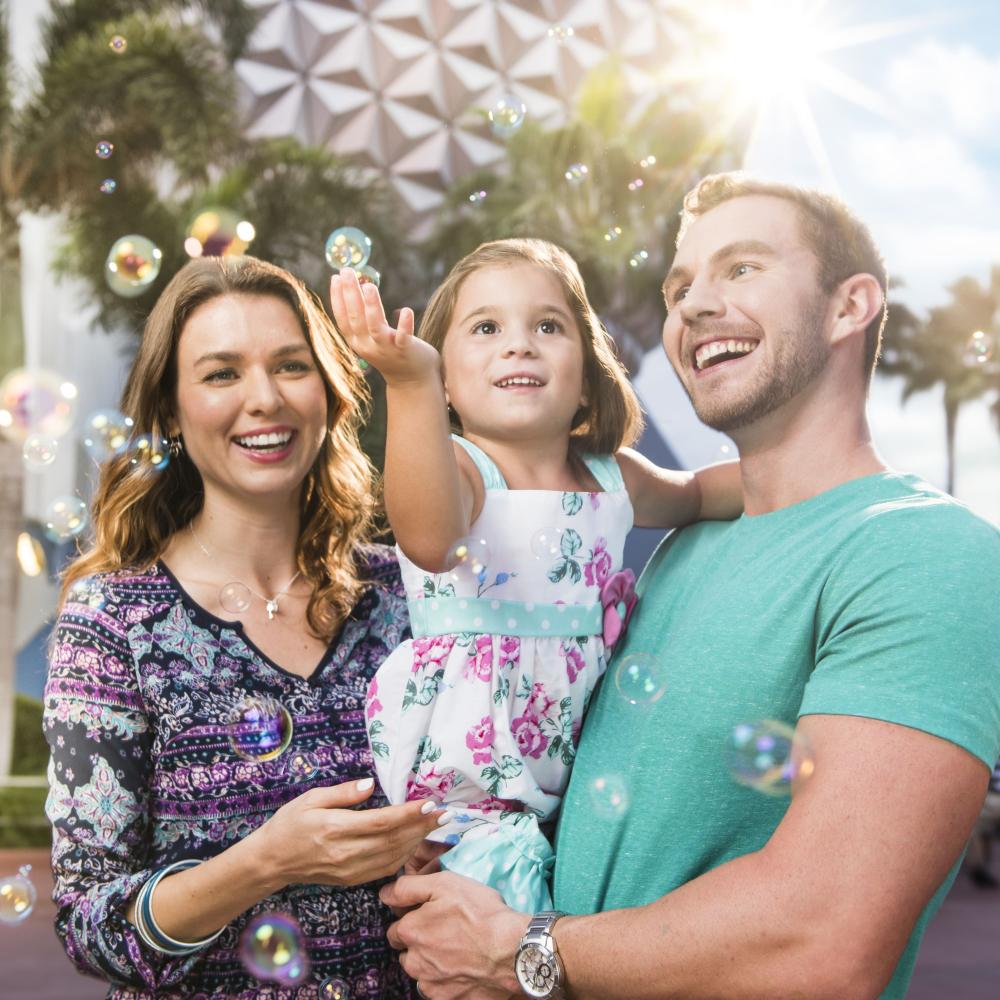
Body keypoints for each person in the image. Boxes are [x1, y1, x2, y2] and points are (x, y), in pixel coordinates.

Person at [377, 174, 1000, 1000]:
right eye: (680, 286)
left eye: (741, 268)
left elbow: (825, 944)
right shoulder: (681, 547)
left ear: (850, 307)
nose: (695, 304)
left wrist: (516, 953)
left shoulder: (925, 552)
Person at [43, 255, 450, 999]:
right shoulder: (114, 621)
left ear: (327, 390)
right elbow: (90, 926)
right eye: (222, 373)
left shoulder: (403, 594)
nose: (265, 399)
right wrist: (268, 859)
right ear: (170, 409)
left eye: (291, 365)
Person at [328, 239, 743, 912]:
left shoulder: (613, 474)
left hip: (590, 757)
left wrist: (810, 475)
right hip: (474, 771)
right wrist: (408, 384)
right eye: (486, 328)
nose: (518, 345)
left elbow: (700, 492)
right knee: (495, 918)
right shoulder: (464, 470)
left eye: (547, 326)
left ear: (588, 371)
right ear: (446, 384)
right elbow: (431, 539)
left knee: (600, 911)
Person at [967, 757, 1000, 888]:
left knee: (974, 829)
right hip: (989, 798)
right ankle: (979, 867)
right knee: (977, 829)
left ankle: (978, 866)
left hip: (988, 798)